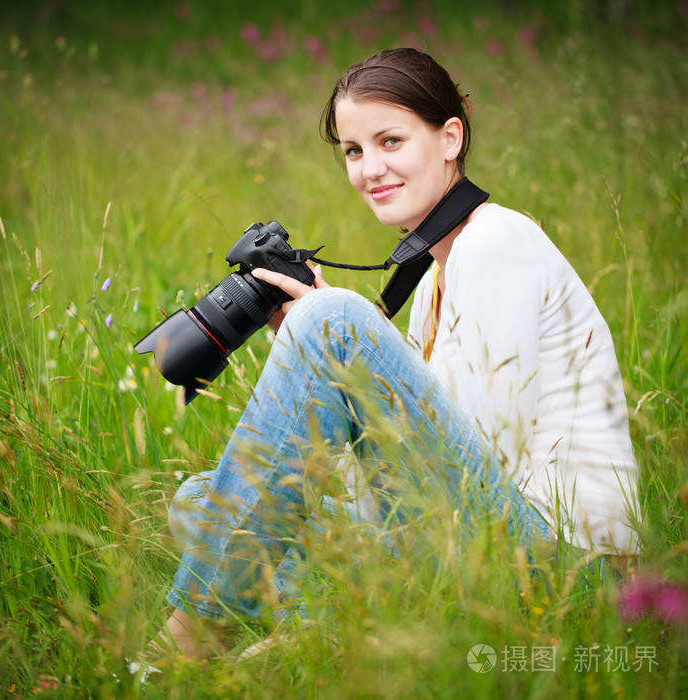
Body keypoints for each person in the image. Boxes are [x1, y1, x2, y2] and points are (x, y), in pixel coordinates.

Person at [154, 48, 640, 659]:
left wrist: (332, 332)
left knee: (334, 322)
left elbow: (482, 455)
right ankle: (347, 629)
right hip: (482, 544)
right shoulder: (434, 277)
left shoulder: (496, 240)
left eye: (390, 140)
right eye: (355, 151)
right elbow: (419, 469)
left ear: (449, 138)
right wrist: (320, 357)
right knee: (203, 502)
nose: (369, 169)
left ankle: (190, 642)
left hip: (567, 576)